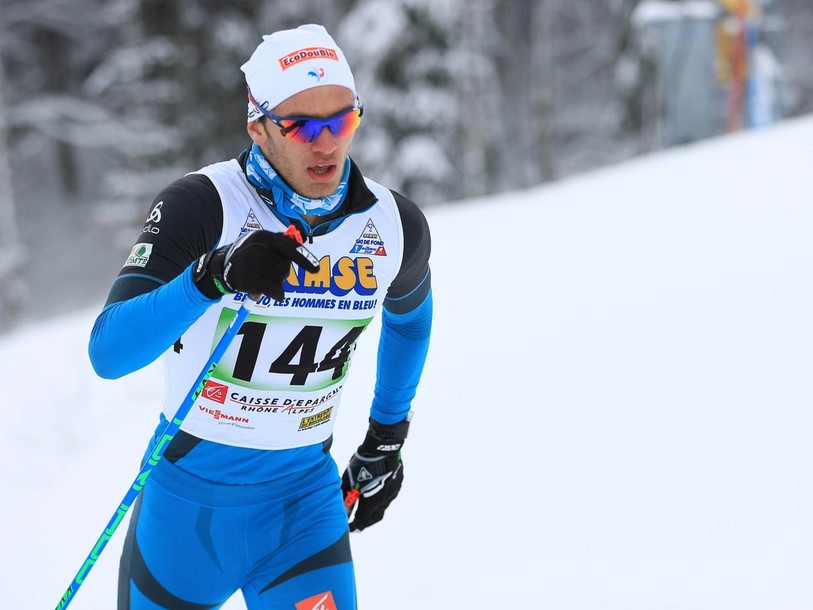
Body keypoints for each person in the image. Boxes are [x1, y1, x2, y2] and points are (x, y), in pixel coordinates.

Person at [89, 24, 432, 610]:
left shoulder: (393, 223)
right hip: (188, 513)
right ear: (258, 124)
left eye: (341, 121)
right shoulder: (202, 204)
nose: (326, 144)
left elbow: (409, 321)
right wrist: (212, 276)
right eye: (302, 126)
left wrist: (386, 436)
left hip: (303, 508)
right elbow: (109, 352)